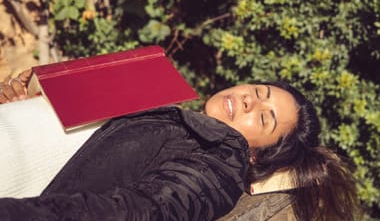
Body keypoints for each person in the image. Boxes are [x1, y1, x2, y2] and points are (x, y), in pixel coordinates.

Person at [0, 71, 361, 220]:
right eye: (259, 91)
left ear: (257, 153)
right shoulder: (175, 113)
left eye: (264, 119)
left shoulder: (218, 167)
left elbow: (139, 213)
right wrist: (28, 111)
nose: (251, 101)